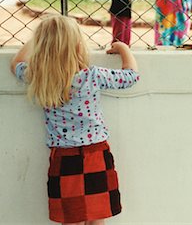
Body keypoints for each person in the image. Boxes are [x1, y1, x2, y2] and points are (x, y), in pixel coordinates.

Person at [10, 15, 140, 225]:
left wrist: (39, 41)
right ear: (79, 47)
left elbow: (16, 63)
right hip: (95, 154)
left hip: (64, 158)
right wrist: (124, 48)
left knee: (71, 218)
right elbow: (131, 76)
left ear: (41, 48)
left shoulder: (39, 76)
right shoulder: (92, 76)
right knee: (97, 216)